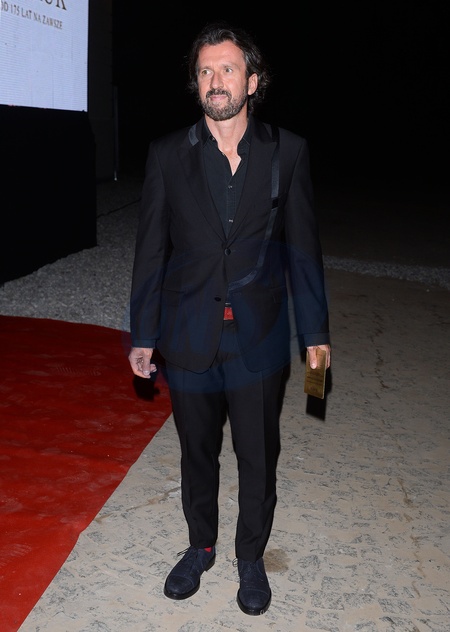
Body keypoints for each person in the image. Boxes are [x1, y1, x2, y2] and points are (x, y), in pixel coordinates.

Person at [128, 21, 331, 616]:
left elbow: (304, 251)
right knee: (197, 451)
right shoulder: (167, 154)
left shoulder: (287, 151)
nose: (215, 80)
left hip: (258, 336)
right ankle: (201, 546)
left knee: (257, 453)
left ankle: (250, 557)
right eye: (205, 71)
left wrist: (316, 337)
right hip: (188, 333)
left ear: (253, 80)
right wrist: (143, 334)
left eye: (227, 69)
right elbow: (149, 252)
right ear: (196, 84)